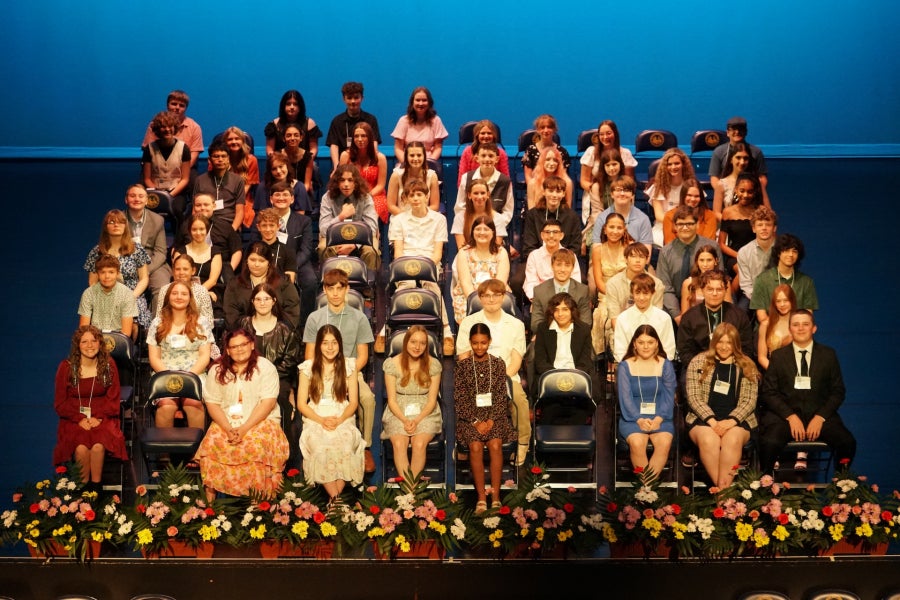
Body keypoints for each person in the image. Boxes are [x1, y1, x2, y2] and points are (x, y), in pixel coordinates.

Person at [195, 328, 289, 502]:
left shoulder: (265, 367)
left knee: (256, 446)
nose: (239, 349)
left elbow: (267, 403)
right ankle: (210, 507)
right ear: (228, 350)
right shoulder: (217, 369)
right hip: (226, 421)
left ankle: (258, 505)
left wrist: (244, 429)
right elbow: (212, 403)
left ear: (252, 345)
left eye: (243, 345)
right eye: (234, 347)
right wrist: (228, 428)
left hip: (261, 420)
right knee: (212, 443)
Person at [758, 310, 855, 472]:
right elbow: (769, 392)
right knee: (769, 442)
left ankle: (841, 488)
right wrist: (790, 416)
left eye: (805, 324)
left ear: (814, 328)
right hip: (785, 417)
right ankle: (765, 489)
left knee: (847, 442)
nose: (801, 328)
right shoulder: (778, 356)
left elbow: (838, 391)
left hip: (819, 415)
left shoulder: (828, 355)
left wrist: (820, 417)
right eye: (796, 325)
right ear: (790, 329)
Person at [303, 268, 377, 473]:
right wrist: (322, 374)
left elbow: (363, 355)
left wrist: (345, 375)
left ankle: (366, 446)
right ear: (324, 290)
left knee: (367, 399)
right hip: (320, 373)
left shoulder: (359, 318)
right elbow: (309, 354)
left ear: (347, 289)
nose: (335, 293)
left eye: (339, 288)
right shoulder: (315, 318)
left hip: (351, 371)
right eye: (331, 288)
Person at [456, 279, 530, 466]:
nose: (491, 299)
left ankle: (522, 443)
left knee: (519, 400)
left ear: (503, 296)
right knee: (461, 398)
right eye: (486, 295)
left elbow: (516, 359)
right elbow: (464, 357)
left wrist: (498, 381)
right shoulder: (468, 322)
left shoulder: (516, 324)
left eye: (496, 295)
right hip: (474, 379)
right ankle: (463, 444)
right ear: (480, 298)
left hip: (506, 377)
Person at [53, 325, 128, 493]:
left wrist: (98, 417)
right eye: (84, 341)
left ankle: (96, 491)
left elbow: (113, 397)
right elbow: (60, 403)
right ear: (77, 345)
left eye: (94, 341)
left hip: (103, 417)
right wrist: (79, 419)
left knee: (97, 446)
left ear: (100, 343)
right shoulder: (66, 368)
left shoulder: (108, 365)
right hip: (74, 419)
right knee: (80, 447)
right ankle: (82, 492)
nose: (89, 345)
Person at [685, 323, 758, 488]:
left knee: (731, 440)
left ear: (736, 344)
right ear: (714, 342)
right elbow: (694, 397)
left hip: (737, 421)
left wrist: (730, 421)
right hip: (704, 420)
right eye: (720, 342)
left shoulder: (747, 365)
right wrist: (713, 422)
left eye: (729, 342)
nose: (724, 347)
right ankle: (725, 496)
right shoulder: (698, 362)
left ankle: (721, 494)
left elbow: (749, 400)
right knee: (708, 440)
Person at [297, 325, 365, 504]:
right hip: (316, 416)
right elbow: (301, 404)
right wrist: (321, 420)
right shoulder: (308, 368)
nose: (330, 347)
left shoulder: (349, 366)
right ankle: (338, 503)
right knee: (320, 447)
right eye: (325, 343)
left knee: (344, 446)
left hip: (341, 415)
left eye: (334, 343)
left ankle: (334, 505)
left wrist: (340, 420)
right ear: (318, 345)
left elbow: (353, 403)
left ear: (340, 344)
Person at [386, 178, 454, 354]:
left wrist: (424, 269)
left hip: (429, 263)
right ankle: (389, 326)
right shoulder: (398, 220)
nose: (415, 198)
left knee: (432, 287)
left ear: (427, 196)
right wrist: (409, 270)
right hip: (406, 263)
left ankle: (447, 331)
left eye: (419, 194)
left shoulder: (439, 219)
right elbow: (398, 253)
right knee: (405, 287)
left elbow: (438, 253)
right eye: (411, 195)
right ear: (406, 199)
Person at [239, 283, 302, 472]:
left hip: (278, 380)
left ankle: (286, 467)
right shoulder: (244, 325)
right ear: (252, 301)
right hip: (244, 378)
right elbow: (235, 351)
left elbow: (289, 361)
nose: (262, 302)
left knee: (282, 404)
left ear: (274, 300)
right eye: (258, 299)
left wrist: (266, 378)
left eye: (267, 298)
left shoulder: (285, 329)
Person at [454, 323, 516, 513]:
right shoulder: (463, 366)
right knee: (475, 446)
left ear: (489, 342)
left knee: (495, 444)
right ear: (470, 343)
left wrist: (490, 420)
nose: (479, 347)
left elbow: (500, 396)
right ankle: (481, 497)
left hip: (494, 416)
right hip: (470, 418)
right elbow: (460, 398)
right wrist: (475, 421)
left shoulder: (498, 364)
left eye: (483, 343)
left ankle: (496, 496)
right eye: (475, 343)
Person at [381, 325, 442, 484]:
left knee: (419, 442)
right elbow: (392, 400)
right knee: (400, 442)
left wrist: (416, 420)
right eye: (413, 342)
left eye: (422, 343)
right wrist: (404, 420)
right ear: (406, 342)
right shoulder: (392, 364)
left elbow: (431, 401)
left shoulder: (433, 364)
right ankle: (411, 490)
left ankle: (409, 491)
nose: (417, 347)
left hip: (425, 412)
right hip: (398, 411)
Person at [146, 282, 212, 429]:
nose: (179, 297)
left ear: (190, 298)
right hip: (164, 374)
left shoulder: (202, 323)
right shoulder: (157, 323)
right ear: (168, 296)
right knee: (166, 406)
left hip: (194, 374)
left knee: (193, 404)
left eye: (183, 294)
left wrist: (187, 378)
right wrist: (170, 377)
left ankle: (197, 451)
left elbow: (204, 357)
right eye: (175, 293)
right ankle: (163, 451)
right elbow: (154, 358)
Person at [616, 324, 677, 478]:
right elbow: (625, 398)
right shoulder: (625, 366)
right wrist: (639, 419)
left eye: (650, 342)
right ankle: (648, 493)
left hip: (661, 416)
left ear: (656, 343)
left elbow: (669, 396)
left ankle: (646, 492)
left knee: (663, 443)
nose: (645, 347)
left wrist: (658, 419)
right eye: (641, 342)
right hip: (632, 417)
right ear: (634, 344)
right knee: (637, 443)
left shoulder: (665, 364)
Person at [258, 181, 316, 325]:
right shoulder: (261, 219)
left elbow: (307, 248)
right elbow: (255, 244)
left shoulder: (304, 221)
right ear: (271, 199)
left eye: (285, 195)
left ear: (292, 199)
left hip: (298, 262)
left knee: (310, 281)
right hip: (267, 262)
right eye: (277, 195)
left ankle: (303, 324)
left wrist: (292, 265)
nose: (281, 198)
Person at [83, 209, 151, 329]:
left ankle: (127, 345)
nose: (116, 225)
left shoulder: (137, 250)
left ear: (126, 226)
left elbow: (144, 279)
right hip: (104, 295)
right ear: (106, 227)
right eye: (112, 222)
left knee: (134, 318)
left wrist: (131, 297)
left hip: (132, 295)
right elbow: (92, 282)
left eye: (120, 222)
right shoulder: (96, 252)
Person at [676, 269, 753, 373]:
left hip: (732, 367)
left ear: (726, 290)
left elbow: (746, 348)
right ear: (702, 290)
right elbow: (685, 351)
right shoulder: (689, 318)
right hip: (698, 368)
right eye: (710, 289)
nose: (715, 294)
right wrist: (701, 368)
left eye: (719, 289)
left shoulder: (739, 316)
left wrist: (730, 367)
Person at [656, 205, 722, 322]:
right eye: (680, 224)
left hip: (704, 301)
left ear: (697, 225)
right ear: (675, 226)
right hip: (674, 304)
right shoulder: (665, 252)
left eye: (690, 224)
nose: (685, 227)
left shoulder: (712, 247)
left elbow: (719, 278)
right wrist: (677, 315)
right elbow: (665, 287)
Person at [531, 292, 599, 403]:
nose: (560, 314)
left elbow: (585, 361)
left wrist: (572, 377)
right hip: (551, 377)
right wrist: (556, 377)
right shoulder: (543, 329)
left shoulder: (583, 329)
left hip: (576, 376)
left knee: (578, 408)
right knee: (550, 411)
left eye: (565, 309)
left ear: (572, 311)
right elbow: (540, 362)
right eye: (556, 310)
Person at [598, 242, 663, 356]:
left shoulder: (657, 284)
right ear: (626, 259)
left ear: (647, 260)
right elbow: (615, 318)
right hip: (621, 332)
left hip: (650, 334)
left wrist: (644, 341)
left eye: (641, 257)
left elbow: (657, 318)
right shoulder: (613, 283)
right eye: (633, 256)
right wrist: (630, 341)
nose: (637, 261)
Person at [224, 242, 300, 330]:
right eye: (252, 260)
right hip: (244, 335)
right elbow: (231, 315)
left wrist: (274, 330)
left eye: (261, 260)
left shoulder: (283, 283)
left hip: (277, 335)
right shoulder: (234, 284)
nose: (256, 264)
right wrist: (251, 328)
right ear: (246, 261)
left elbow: (292, 312)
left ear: (269, 263)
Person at [318, 164, 380, 270]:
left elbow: (372, 228)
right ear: (337, 183)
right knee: (323, 247)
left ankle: (368, 283)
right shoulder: (327, 197)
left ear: (356, 183)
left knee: (371, 250)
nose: (346, 184)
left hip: (361, 239)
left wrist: (355, 244)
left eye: (350, 180)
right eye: (342, 180)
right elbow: (323, 230)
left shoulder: (365, 197)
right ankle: (331, 282)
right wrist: (341, 216)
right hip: (335, 237)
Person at [450, 216, 510, 324]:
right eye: (478, 229)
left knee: (507, 306)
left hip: (496, 295)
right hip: (469, 296)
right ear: (472, 232)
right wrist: (478, 301)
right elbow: (465, 283)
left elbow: (500, 283)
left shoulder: (502, 252)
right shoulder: (463, 253)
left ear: (493, 232)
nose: (482, 232)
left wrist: (491, 299)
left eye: (486, 229)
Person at [750, 233, 818, 325]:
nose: (791, 255)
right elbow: (761, 315)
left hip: (797, 332)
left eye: (794, 251)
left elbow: (808, 314)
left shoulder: (806, 282)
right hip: (769, 332)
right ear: (778, 253)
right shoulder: (762, 280)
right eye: (786, 250)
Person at [141, 110, 191, 234]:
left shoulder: (184, 148)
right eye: (163, 127)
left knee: (178, 210)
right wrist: (159, 194)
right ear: (158, 129)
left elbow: (185, 179)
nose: (167, 129)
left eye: (170, 126)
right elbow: (147, 178)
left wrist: (170, 195)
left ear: (175, 128)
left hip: (177, 191)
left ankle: (178, 244)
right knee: (145, 211)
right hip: (155, 191)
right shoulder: (149, 148)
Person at [453, 142, 514, 243]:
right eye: (483, 155)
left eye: (491, 156)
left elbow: (508, 211)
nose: (487, 159)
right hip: (470, 231)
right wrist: (472, 226)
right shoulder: (466, 178)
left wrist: (493, 227)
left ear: (497, 159)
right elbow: (460, 207)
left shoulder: (505, 181)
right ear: (477, 158)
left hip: (495, 231)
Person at [124, 183, 171, 312]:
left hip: (153, 263)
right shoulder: (119, 220)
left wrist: (146, 270)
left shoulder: (157, 220)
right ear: (126, 199)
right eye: (132, 196)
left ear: (146, 200)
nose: (137, 199)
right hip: (126, 263)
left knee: (162, 288)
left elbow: (161, 252)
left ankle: (156, 328)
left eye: (141, 196)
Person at [519, 175, 582, 267]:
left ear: (564, 194)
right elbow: (529, 246)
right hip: (538, 262)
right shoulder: (532, 215)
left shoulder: (572, 217)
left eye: (558, 191)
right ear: (544, 192)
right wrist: (540, 262)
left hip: (564, 263)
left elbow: (575, 247)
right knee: (516, 281)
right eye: (551, 191)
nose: (554, 195)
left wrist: (560, 263)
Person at [613, 274, 676, 363]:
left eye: (646, 293)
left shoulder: (664, 318)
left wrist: (653, 366)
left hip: (657, 369)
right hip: (630, 370)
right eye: (637, 293)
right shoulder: (622, 319)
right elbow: (620, 352)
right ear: (632, 293)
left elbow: (669, 351)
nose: (641, 298)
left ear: (653, 293)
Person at [709, 116, 769, 208]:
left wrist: (753, 192)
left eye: (740, 129)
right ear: (728, 132)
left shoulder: (756, 152)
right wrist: (723, 193)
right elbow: (714, 178)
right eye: (733, 129)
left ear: (746, 132)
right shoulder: (719, 151)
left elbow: (762, 178)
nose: (737, 132)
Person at [177, 193, 243, 277]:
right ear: (194, 207)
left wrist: (230, 269)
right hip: (190, 270)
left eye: (206, 204)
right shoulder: (186, 225)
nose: (202, 208)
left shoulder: (225, 226)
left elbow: (237, 250)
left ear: (214, 206)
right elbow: (176, 248)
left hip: (221, 270)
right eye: (198, 205)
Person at [718, 172, 763, 294]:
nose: (745, 195)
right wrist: (740, 255)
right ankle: (731, 302)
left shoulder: (759, 212)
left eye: (750, 192)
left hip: (756, 255)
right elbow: (721, 244)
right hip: (734, 255)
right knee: (742, 270)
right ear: (736, 190)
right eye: (742, 191)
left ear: (754, 193)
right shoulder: (728, 212)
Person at [530, 249, 591, 333]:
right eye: (558, 265)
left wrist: (566, 333)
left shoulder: (582, 290)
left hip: (574, 337)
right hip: (548, 336)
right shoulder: (539, 290)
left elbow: (586, 322)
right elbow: (535, 324)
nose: (562, 269)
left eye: (567, 265)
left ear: (573, 268)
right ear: (552, 266)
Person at [522, 219, 583, 303]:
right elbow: (531, 282)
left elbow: (575, 282)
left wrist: (563, 301)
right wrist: (539, 300)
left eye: (555, 232)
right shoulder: (534, 255)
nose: (551, 236)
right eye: (547, 232)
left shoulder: (570, 255)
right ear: (542, 235)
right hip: (541, 300)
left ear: (561, 235)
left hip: (565, 301)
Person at [77, 254, 137, 339]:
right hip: (95, 340)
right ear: (97, 274)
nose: (107, 276)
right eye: (103, 272)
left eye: (111, 272)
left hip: (119, 340)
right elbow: (84, 329)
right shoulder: (88, 294)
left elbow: (126, 333)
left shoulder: (127, 294)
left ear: (117, 273)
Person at [590, 212, 634, 326]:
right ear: (605, 229)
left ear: (624, 229)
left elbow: (635, 276)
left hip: (629, 294)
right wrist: (614, 295)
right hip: (606, 295)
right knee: (604, 315)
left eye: (619, 228)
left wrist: (624, 295)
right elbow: (599, 281)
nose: (615, 231)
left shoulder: (630, 248)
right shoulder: (597, 250)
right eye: (611, 227)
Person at [140, 89, 203, 169]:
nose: (177, 107)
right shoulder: (154, 125)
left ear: (186, 108)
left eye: (181, 105)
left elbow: (193, 156)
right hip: (156, 168)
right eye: (174, 104)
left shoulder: (195, 127)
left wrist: (176, 173)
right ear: (167, 105)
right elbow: (148, 151)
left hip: (185, 169)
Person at [191, 140, 245, 233]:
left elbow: (240, 211)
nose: (220, 159)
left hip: (228, 223)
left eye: (223, 156)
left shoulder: (237, 180)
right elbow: (194, 210)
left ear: (228, 158)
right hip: (205, 224)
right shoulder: (200, 180)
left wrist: (232, 231)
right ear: (209, 159)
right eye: (216, 156)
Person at [326, 81, 382, 171]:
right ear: (344, 99)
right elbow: (334, 145)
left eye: (356, 98)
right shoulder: (337, 121)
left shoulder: (371, 120)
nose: (353, 101)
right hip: (344, 164)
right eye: (349, 98)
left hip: (366, 164)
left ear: (362, 98)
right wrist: (337, 166)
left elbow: (374, 143)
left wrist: (372, 165)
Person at [646, 148, 696, 247]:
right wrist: (678, 223)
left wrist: (683, 224)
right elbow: (659, 215)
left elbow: (696, 210)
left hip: (688, 225)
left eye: (677, 163)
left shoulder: (691, 185)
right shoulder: (657, 187)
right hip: (663, 226)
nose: (673, 167)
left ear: (683, 165)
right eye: (669, 164)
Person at [340, 122, 389, 223]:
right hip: (350, 194)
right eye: (356, 136)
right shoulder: (345, 156)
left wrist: (367, 196)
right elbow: (340, 180)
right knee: (347, 211)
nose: (360, 139)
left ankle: (373, 237)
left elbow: (381, 185)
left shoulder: (380, 158)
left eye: (364, 136)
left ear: (370, 138)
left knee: (372, 215)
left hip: (374, 195)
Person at [590, 175, 653, 254]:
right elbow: (596, 249)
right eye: (618, 190)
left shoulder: (643, 219)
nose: (622, 193)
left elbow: (647, 255)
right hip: (606, 263)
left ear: (633, 195)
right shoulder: (602, 218)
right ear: (612, 194)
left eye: (626, 190)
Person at [580, 120, 637, 201]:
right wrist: (598, 193)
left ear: (615, 134)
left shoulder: (625, 153)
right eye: (601, 134)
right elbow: (584, 181)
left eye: (609, 133)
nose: (605, 137)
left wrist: (616, 195)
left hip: (621, 197)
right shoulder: (591, 152)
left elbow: (629, 181)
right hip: (596, 197)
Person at [391, 86, 449, 165]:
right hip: (406, 164)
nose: (420, 103)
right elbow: (398, 148)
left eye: (424, 100)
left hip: (429, 165)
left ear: (429, 102)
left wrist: (429, 164)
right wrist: (407, 164)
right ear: (412, 102)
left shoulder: (436, 121)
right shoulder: (403, 121)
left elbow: (438, 147)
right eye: (417, 100)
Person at [173, 214, 223, 304]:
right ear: (189, 231)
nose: (198, 233)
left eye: (201, 229)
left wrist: (201, 293)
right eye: (194, 229)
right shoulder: (180, 252)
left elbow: (213, 281)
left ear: (207, 230)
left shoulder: (215, 252)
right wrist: (192, 294)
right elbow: (177, 277)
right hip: (183, 292)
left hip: (208, 290)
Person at [736, 206, 778, 311]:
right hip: (753, 295)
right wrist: (760, 301)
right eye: (760, 225)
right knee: (739, 313)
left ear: (774, 228)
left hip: (779, 295)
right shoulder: (744, 252)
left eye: (768, 225)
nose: (764, 228)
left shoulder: (782, 249)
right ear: (754, 228)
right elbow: (746, 284)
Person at [156, 254, 215, 325]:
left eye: (185, 269)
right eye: (178, 269)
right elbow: (159, 317)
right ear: (173, 271)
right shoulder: (165, 290)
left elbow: (209, 321)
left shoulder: (201, 291)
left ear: (193, 271)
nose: (181, 273)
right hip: (170, 330)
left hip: (195, 331)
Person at [220, 126, 260, 229]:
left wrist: (234, 201)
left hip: (243, 198)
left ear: (242, 141)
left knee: (243, 214)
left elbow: (247, 186)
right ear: (225, 142)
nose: (234, 142)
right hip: (221, 197)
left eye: (237, 138)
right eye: (230, 139)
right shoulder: (218, 159)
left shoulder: (251, 160)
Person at [450, 179, 506, 251]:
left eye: (482, 193)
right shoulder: (459, 218)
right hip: (467, 258)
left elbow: (496, 247)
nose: (479, 197)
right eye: (476, 193)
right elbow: (461, 248)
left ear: (488, 195)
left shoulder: (498, 218)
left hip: (491, 258)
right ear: (469, 195)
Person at [386, 141, 440, 215]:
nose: (415, 158)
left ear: (424, 156)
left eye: (419, 155)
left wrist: (419, 216)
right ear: (406, 157)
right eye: (412, 155)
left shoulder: (432, 176)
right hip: (401, 218)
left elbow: (435, 206)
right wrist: (407, 217)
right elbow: (391, 206)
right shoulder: (396, 175)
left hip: (424, 217)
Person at [264, 89, 321, 160]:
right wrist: (277, 161)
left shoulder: (310, 123)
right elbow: (270, 150)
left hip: (304, 161)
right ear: (283, 106)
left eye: (295, 104)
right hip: (280, 162)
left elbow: (314, 149)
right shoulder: (274, 124)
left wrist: (306, 161)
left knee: (314, 167)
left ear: (300, 107)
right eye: (288, 104)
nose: (292, 107)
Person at [679, 244, 733, 318]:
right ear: (697, 262)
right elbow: (685, 315)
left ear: (716, 261)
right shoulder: (688, 283)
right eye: (701, 260)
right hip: (695, 324)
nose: (705, 264)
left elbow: (728, 311)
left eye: (709, 260)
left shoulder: (725, 282)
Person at [583, 148, 623, 245]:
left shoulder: (626, 184)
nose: (611, 168)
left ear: (620, 164)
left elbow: (627, 209)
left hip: (622, 223)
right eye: (608, 165)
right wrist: (608, 227)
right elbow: (597, 212)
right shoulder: (597, 186)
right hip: (600, 224)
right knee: (596, 242)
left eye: (614, 164)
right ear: (603, 167)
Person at [253, 150, 311, 215]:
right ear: (270, 171)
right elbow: (262, 214)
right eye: (274, 169)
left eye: (281, 166)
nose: (278, 171)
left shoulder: (299, 187)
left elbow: (300, 217)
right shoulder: (263, 187)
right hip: (269, 223)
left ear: (287, 166)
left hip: (292, 224)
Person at [661, 178, 717, 245]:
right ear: (683, 196)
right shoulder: (670, 216)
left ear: (701, 198)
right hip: (676, 254)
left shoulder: (709, 216)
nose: (693, 199)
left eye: (696, 196)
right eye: (689, 195)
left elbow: (708, 244)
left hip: (702, 254)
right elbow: (669, 245)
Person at [757, 284, 797, 371]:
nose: (782, 304)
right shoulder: (766, 325)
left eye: (785, 300)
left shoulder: (799, 325)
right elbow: (761, 357)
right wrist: (775, 373)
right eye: (778, 301)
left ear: (792, 301)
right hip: (772, 373)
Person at [521, 114, 572, 183]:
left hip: (556, 190)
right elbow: (528, 178)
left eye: (549, 127)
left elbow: (563, 177)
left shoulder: (562, 152)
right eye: (542, 127)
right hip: (535, 190)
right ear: (537, 130)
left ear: (554, 129)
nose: (546, 130)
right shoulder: (530, 150)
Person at [458, 119, 510, 185]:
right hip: (474, 192)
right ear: (477, 135)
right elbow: (462, 179)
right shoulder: (468, 152)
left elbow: (505, 179)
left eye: (489, 133)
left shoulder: (501, 153)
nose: (486, 136)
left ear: (494, 135)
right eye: (482, 133)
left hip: (495, 190)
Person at [711, 141, 755, 219]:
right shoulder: (722, 184)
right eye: (738, 157)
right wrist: (731, 224)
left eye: (745, 158)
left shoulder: (756, 182)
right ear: (731, 159)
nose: (742, 162)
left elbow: (766, 210)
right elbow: (716, 213)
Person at [526, 145, 573, 210]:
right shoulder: (532, 183)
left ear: (559, 163)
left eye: (555, 160)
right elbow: (531, 210)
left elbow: (568, 209)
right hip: (537, 218)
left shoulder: (567, 182)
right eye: (547, 160)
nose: (551, 163)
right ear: (542, 161)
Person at [281, 123, 315, 195]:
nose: (292, 138)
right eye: (288, 135)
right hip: (282, 192)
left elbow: (307, 184)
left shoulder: (308, 157)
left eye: (296, 135)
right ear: (283, 138)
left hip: (302, 192)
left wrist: (297, 195)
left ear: (301, 138)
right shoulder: (278, 156)